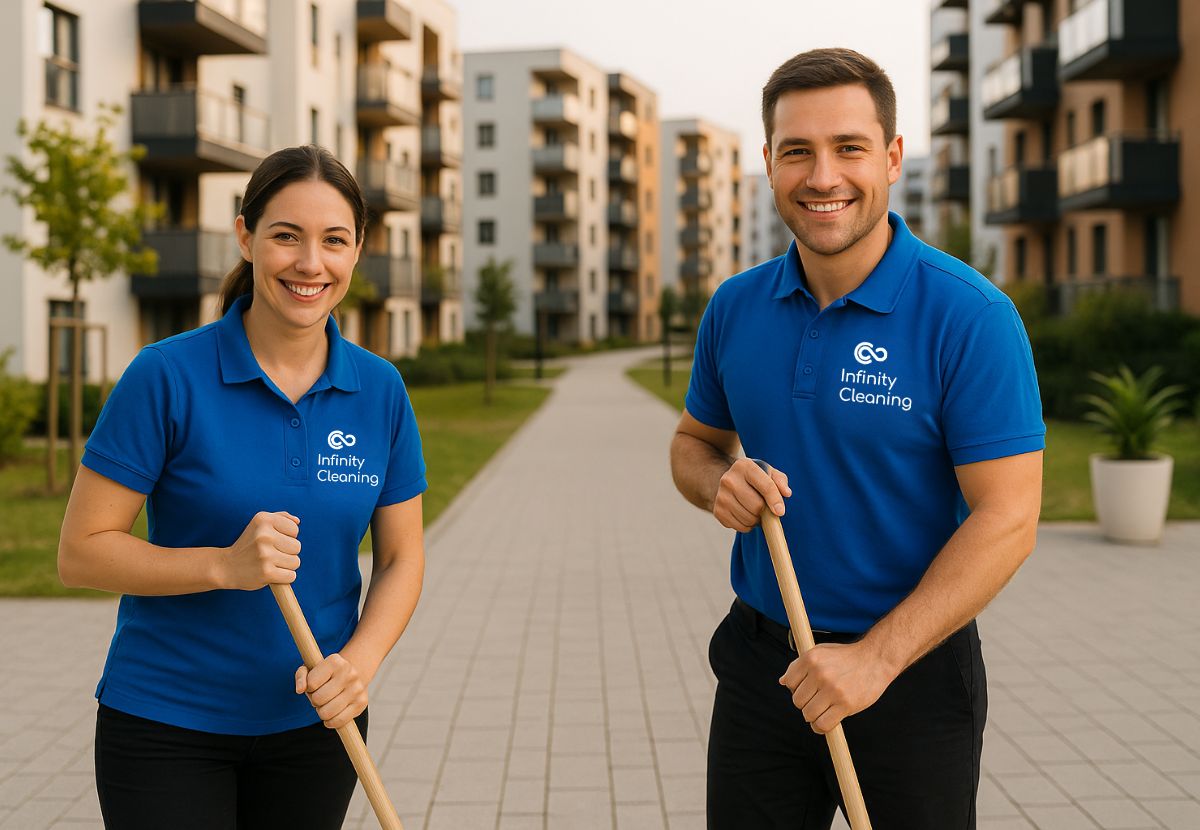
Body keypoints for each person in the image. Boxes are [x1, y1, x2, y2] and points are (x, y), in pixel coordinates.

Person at [670, 49, 1044, 828]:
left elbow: (1008, 518)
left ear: (893, 158)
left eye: (849, 148)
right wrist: (718, 483)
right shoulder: (735, 308)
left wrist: (873, 660)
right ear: (769, 164)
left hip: (910, 676)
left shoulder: (970, 317)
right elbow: (694, 444)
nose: (823, 176)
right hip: (762, 669)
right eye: (797, 151)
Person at [58, 145, 427, 829]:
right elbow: (81, 550)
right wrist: (223, 566)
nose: (309, 264)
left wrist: (359, 663)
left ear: (357, 252)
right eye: (286, 235)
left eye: (334, 241)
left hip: (316, 727)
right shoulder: (165, 375)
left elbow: (403, 557)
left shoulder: (380, 390)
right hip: (166, 723)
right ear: (246, 237)